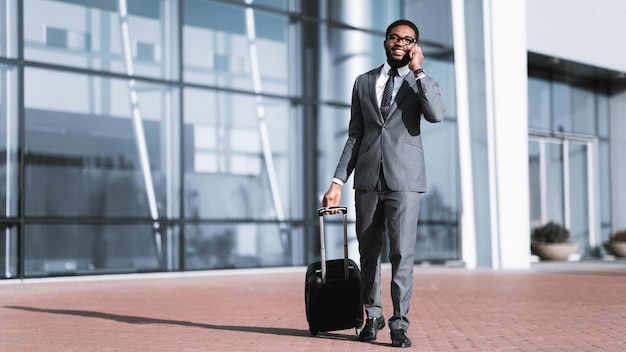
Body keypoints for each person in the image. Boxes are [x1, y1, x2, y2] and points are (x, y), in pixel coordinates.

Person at [322, 19, 445, 348]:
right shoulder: (363, 82)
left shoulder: (421, 83)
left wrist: (419, 72)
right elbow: (355, 136)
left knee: (402, 253)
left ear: (414, 47)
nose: (400, 43)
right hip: (367, 181)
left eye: (408, 40)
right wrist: (337, 182)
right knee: (369, 253)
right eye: (395, 37)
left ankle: (399, 323)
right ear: (385, 41)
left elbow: (436, 115)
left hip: (405, 181)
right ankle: (372, 315)